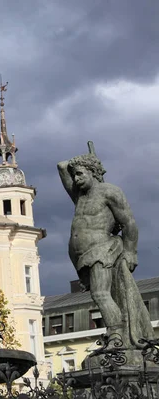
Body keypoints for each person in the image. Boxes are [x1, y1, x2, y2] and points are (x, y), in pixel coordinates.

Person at [58, 145, 153, 348]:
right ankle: (115, 334)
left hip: (102, 249)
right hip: (82, 255)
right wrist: (83, 164)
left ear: (92, 173)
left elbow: (129, 223)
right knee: (102, 294)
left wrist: (130, 252)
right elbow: (62, 166)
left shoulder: (109, 191)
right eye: (74, 176)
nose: (76, 179)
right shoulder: (79, 196)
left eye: (80, 174)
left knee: (100, 294)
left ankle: (116, 337)